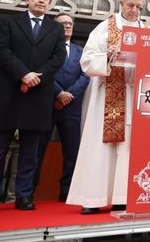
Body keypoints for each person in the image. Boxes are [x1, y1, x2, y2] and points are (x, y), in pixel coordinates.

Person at [0, 0, 66, 214]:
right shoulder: (9, 23)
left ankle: (24, 196)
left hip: (38, 95)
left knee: (30, 152)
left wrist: (36, 77)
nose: (42, 1)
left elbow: (58, 58)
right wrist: (23, 74)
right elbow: (2, 50)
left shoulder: (55, 29)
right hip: (9, 94)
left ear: (50, 3)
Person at [66, 0, 150, 214]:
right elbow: (87, 59)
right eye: (130, 6)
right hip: (107, 95)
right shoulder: (105, 27)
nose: (135, 11)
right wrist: (108, 57)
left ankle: (122, 196)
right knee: (100, 148)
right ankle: (93, 198)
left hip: (135, 96)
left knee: (128, 148)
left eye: (139, 7)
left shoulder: (148, 31)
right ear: (121, 3)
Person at [34, 14, 89, 202]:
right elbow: (42, 72)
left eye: (69, 23)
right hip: (46, 105)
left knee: (71, 153)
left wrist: (69, 95)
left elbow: (86, 76)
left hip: (72, 108)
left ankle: (66, 191)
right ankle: (29, 191)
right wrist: (58, 93)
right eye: (62, 23)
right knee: (36, 150)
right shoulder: (44, 49)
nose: (67, 26)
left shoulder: (81, 51)